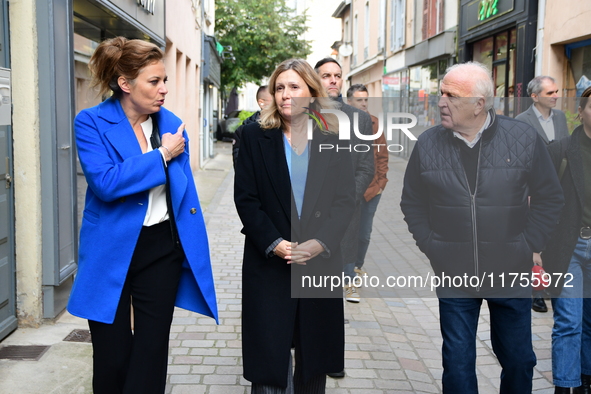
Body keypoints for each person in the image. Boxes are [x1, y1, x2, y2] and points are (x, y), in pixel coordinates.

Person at [400, 62, 564, 393]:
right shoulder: (428, 143)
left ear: (479, 104)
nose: (441, 101)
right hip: (454, 274)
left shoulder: (523, 138)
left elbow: (550, 198)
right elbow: (411, 203)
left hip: (511, 271)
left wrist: (527, 243)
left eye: (451, 96)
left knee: (519, 360)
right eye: (440, 93)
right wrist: (433, 245)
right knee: (458, 365)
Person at [66, 37, 218, 394]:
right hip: (110, 249)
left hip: (161, 247)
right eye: (155, 81)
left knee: (151, 351)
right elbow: (105, 182)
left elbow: (181, 191)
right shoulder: (91, 122)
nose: (164, 89)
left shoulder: (171, 124)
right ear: (125, 84)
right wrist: (162, 155)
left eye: (165, 80)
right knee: (112, 354)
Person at [234, 58, 355, 393]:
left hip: (319, 262)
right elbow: (246, 199)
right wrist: (274, 242)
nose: (286, 94)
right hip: (271, 263)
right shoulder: (253, 135)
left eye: (294, 87)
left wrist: (321, 242)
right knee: (269, 363)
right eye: (279, 87)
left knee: (314, 357)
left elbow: (345, 200)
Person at [541, 86, 591, 394]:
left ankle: (585, 379)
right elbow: (541, 201)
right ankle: (565, 386)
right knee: (569, 321)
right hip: (568, 247)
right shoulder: (559, 150)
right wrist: (535, 250)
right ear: (582, 111)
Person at [314, 58, 374, 304]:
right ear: (315, 79)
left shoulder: (359, 118)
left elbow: (366, 166)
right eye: (326, 75)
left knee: (339, 265)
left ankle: (349, 282)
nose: (333, 80)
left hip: (345, 209)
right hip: (310, 211)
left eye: (337, 75)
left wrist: (348, 199)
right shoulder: (303, 114)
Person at [515, 75, 568, 312]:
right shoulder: (521, 121)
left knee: (554, 235)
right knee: (534, 237)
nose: (556, 96)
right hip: (532, 190)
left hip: (558, 186)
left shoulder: (561, 118)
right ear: (535, 96)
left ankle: (548, 284)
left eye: (556, 91)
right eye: (550, 93)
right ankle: (534, 290)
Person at [346, 84, 389, 277]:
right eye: (359, 100)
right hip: (348, 190)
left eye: (366, 100)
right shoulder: (340, 123)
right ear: (349, 102)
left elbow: (382, 156)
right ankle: (346, 271)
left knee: (363, 234)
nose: (364, 104)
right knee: (347, 233)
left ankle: (357, 266)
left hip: (371, 191)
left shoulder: (374, 123)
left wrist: (380, 184)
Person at [232, 85, 273, 165]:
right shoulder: (243, 131)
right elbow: (239, 165)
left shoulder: (283, 126)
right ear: (261, 103)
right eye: (273, 99)